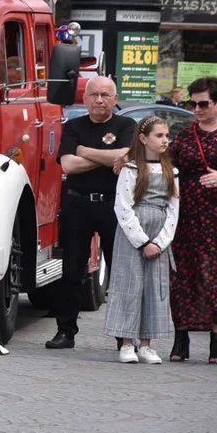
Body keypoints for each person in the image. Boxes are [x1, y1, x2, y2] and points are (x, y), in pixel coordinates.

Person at [48, 76, 135, 350]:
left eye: (106, 95)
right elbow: (68, 166)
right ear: (84, 99)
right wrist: (108, 158)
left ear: (115, 98)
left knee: (119, 271)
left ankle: (123, 336)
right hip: (77, 205)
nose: (99, 100)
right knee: (72, 271)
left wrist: (85, 151)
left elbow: (127, 155)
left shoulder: (126, 125)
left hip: (113, 205)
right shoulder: (73, 126)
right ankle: (65, 332)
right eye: (94, 95)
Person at [165, 76, 217, 364]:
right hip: (185, 214)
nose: (196, 108)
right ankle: (180, 340)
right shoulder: (184, 136)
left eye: (202, 103)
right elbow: (164, 165)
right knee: (182, 277)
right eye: (191, 103)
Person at [102, 116, 179, 364]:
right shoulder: (131, 169)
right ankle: (126, 343)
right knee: (129, 285)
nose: (165, 140)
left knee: (154, 288)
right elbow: (123, 207)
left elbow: (173, 210)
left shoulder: (171, 171)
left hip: (158, 233)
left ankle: (147, 344)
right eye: (159, 136)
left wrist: (160, 242)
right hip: (133, 234)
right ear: (144, 139)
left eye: (167, 135)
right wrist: (143, 242)